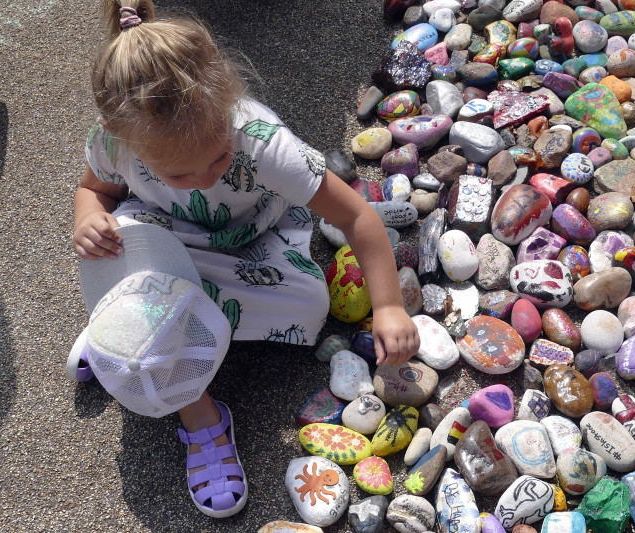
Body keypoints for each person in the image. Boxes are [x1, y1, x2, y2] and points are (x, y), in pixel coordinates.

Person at [72, 0, 420, 518]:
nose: (207, 178)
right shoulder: (115, 138)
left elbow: (358, 219)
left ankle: (133, 322)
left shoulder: (261, 141)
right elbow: (92, 191)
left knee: (308, 306)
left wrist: (389, 305)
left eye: (218, 157)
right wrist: (87, 219)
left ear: (229, 104)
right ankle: (201, 415)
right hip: (163, 236)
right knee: (130, 260)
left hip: (250, 239)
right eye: (180, 175)